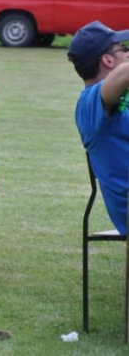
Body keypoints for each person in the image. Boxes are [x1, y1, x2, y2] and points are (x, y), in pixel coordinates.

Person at [68, 21, 129, 234]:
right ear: (108, 60)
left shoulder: (117, 98)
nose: (128, 52)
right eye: (124, 48)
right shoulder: (90, 102)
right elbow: (125, 73)